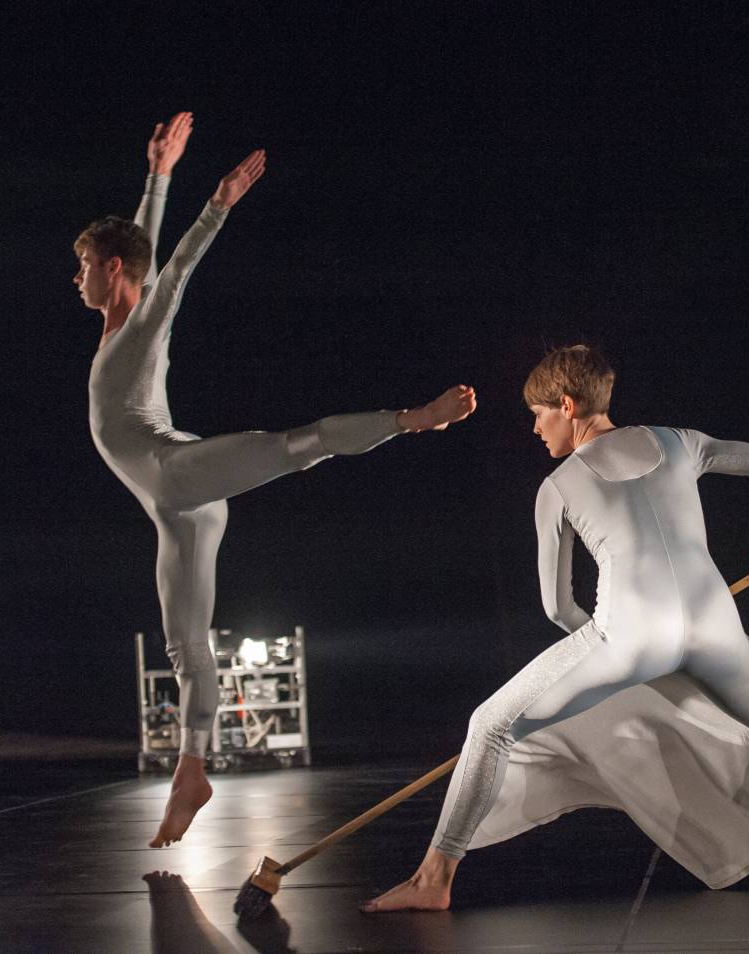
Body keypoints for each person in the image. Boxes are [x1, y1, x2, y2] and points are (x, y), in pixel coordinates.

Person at [75, 113, 476, 847]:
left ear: (106, 272)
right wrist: (158, 173)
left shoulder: (140, 322)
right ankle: (192, 769)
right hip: (172, 505)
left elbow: (172, 268)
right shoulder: (120, 317)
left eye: (82, 267)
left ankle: (414, 417)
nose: (75, 280)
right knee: (184, 644)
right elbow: (141, 251)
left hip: (179, 471)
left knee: (298, 445)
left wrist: (217, 201)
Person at [364, 344, 749, 911]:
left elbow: (558, 608)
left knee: (491, 727)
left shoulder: (557, 488)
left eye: (538, 414)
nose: (536, 429)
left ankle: (432, 882)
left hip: (631, 639)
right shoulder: (680, 441)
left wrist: (618, 661)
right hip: (717, 630)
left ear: (567, 406)